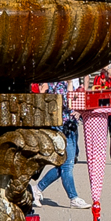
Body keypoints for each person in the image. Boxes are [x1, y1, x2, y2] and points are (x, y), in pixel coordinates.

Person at [35, 79, 86, 209]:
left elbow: (77, 103)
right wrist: (69, 85)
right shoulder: (57, 83)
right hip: (62, 128)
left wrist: (79, 111)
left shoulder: (73, 82)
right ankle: (73, 198)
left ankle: (37, 189)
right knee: (66, 166)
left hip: (72, 125)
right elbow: (65, 103)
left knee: (65, 165)